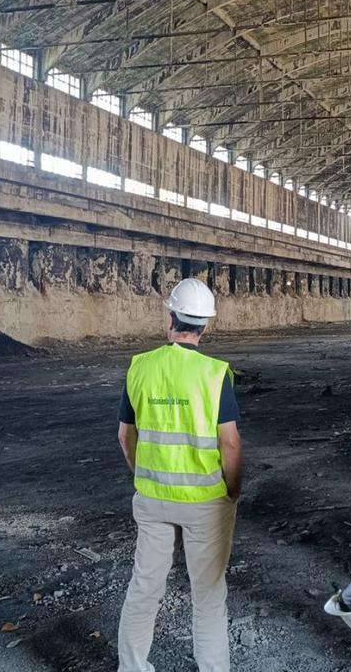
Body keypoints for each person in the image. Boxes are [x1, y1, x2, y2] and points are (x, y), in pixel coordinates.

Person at [116, 278, 244, 672]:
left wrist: (143, 474)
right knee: (208, 596)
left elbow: (124, 435)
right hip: (205, 503)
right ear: (206, 325)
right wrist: (232, 491)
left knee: (144, 589)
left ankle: (132, 667)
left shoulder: (140, 367)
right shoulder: (214, 373)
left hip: (152, 498)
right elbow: (230, 443)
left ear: (171, 317)